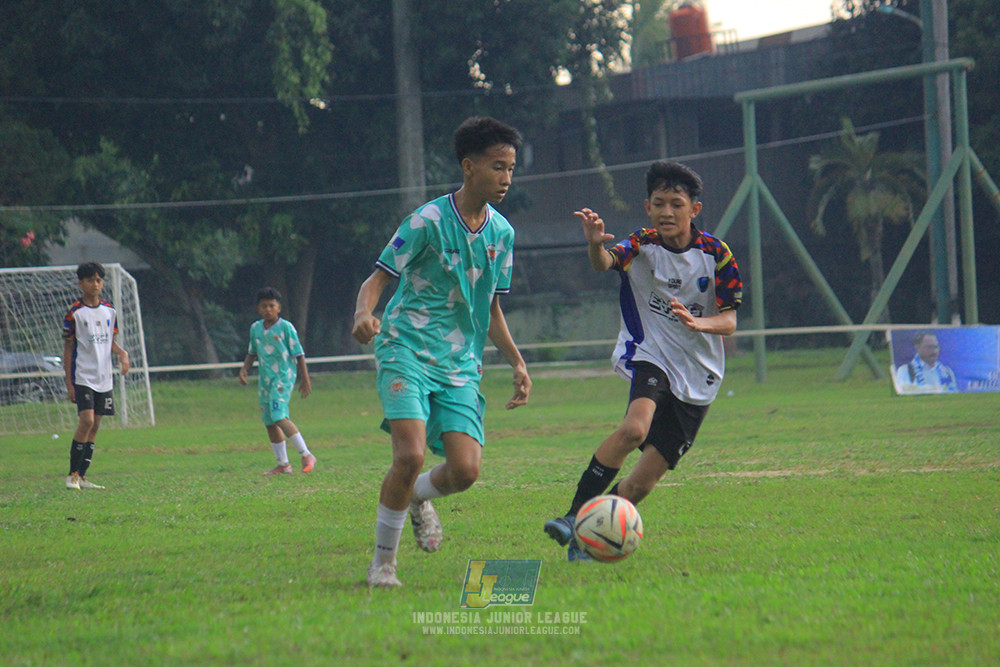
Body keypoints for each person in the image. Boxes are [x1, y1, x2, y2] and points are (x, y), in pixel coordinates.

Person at [353, 116, 532, 588]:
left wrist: (516, 361)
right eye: (498, 167)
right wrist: (362, 316)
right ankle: (382, 566)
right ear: (469, 167)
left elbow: (490, 310)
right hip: (405, 348)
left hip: (459, 364)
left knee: (466, 470)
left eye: (511, 168)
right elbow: (377, 279)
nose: (507, 178)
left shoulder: (503, 234)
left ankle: (416, 498)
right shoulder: (426, 222)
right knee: (409, 454)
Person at [543, 160, 742, 560]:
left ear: (694, 210)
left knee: (641, 484)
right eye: (659, 203)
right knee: (634, 429)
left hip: (700, 374)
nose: (667, 212)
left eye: (676, 203)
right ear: (648, 207)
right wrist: (594, 244)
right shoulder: (640, 244)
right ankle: (571, 515)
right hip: (650, 353)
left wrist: (699, 324)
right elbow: (604, 263)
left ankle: (588, 536)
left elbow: (731, 320)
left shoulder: (717, 254)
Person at [63, 262, 130, 490]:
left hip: (104, 378)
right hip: (83, 376)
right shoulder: (75, 313)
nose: (96, 284)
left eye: (99, 280)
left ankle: (82, 476)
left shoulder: (110, 310)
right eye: (90, 280)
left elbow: (111, 343)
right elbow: (69, 349)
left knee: (96, 425)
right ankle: (71, 475)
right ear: (80, 283)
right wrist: (69, 383)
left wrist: (122, 353)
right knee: (87, 420)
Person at [239, 287, 316, 474]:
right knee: (269, 421)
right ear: (258, 309)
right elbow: (252, 352)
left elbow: (299, 354)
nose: (268, 309)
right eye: (264, 306)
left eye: (272, 306)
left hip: (283, 377)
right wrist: (244, 369)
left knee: (279, 415)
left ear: (279, 308)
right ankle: (283, 464)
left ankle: (306, 454)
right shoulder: (256, 328)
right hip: (266, 380)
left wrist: (305, 378)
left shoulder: (286, 328)